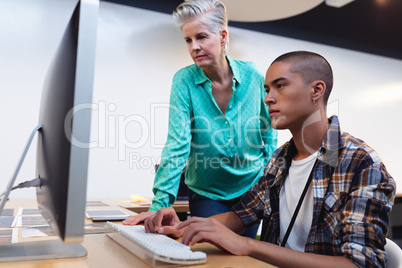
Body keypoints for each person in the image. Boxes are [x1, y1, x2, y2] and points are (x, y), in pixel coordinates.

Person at [143, 51, 396, 267]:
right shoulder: (280, 160)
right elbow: (239, 217)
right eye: (266, 89)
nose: (268, 98)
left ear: (317, 90)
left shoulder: (362, 164)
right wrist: (178, 228)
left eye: (280, 85)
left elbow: (360, 264)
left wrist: (249, 245)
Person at [123, 0, 278, 239]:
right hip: (208, 194)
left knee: (243, 255)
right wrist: (160, 204)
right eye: (188, 40)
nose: (194, 46)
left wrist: (266, 180)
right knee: (211, 254)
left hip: (252, 189)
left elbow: (268, 131)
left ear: (223, 36)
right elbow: (177, 144)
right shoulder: (184, 81)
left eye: (202, 37)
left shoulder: (253, 76)